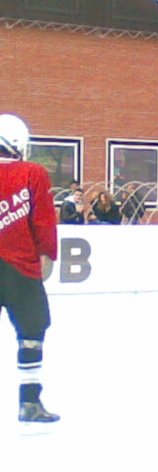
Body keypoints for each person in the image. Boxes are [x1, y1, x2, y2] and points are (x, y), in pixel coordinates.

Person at [0, 114, 60, 423]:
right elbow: (44, 219)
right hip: (20, 267)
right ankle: (29, 402)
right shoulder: (32, 173)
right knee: (32, 332)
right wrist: (48, 253)